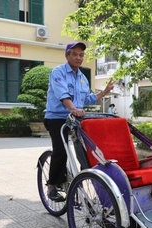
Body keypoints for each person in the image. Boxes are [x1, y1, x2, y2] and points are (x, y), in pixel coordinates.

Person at [44, 41, 115, 201]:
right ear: (67, 55)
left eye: (81, 55)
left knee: (88, 148)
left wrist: (103, 92)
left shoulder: (82, 77)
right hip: (57, 118)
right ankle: (52, 186)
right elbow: (63, 94)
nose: (78, 57)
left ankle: (86, 175)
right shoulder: (58, 72)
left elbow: (87, 99)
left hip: (75, 119)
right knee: (60, 151)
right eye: (74, 54)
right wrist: (73, 109)